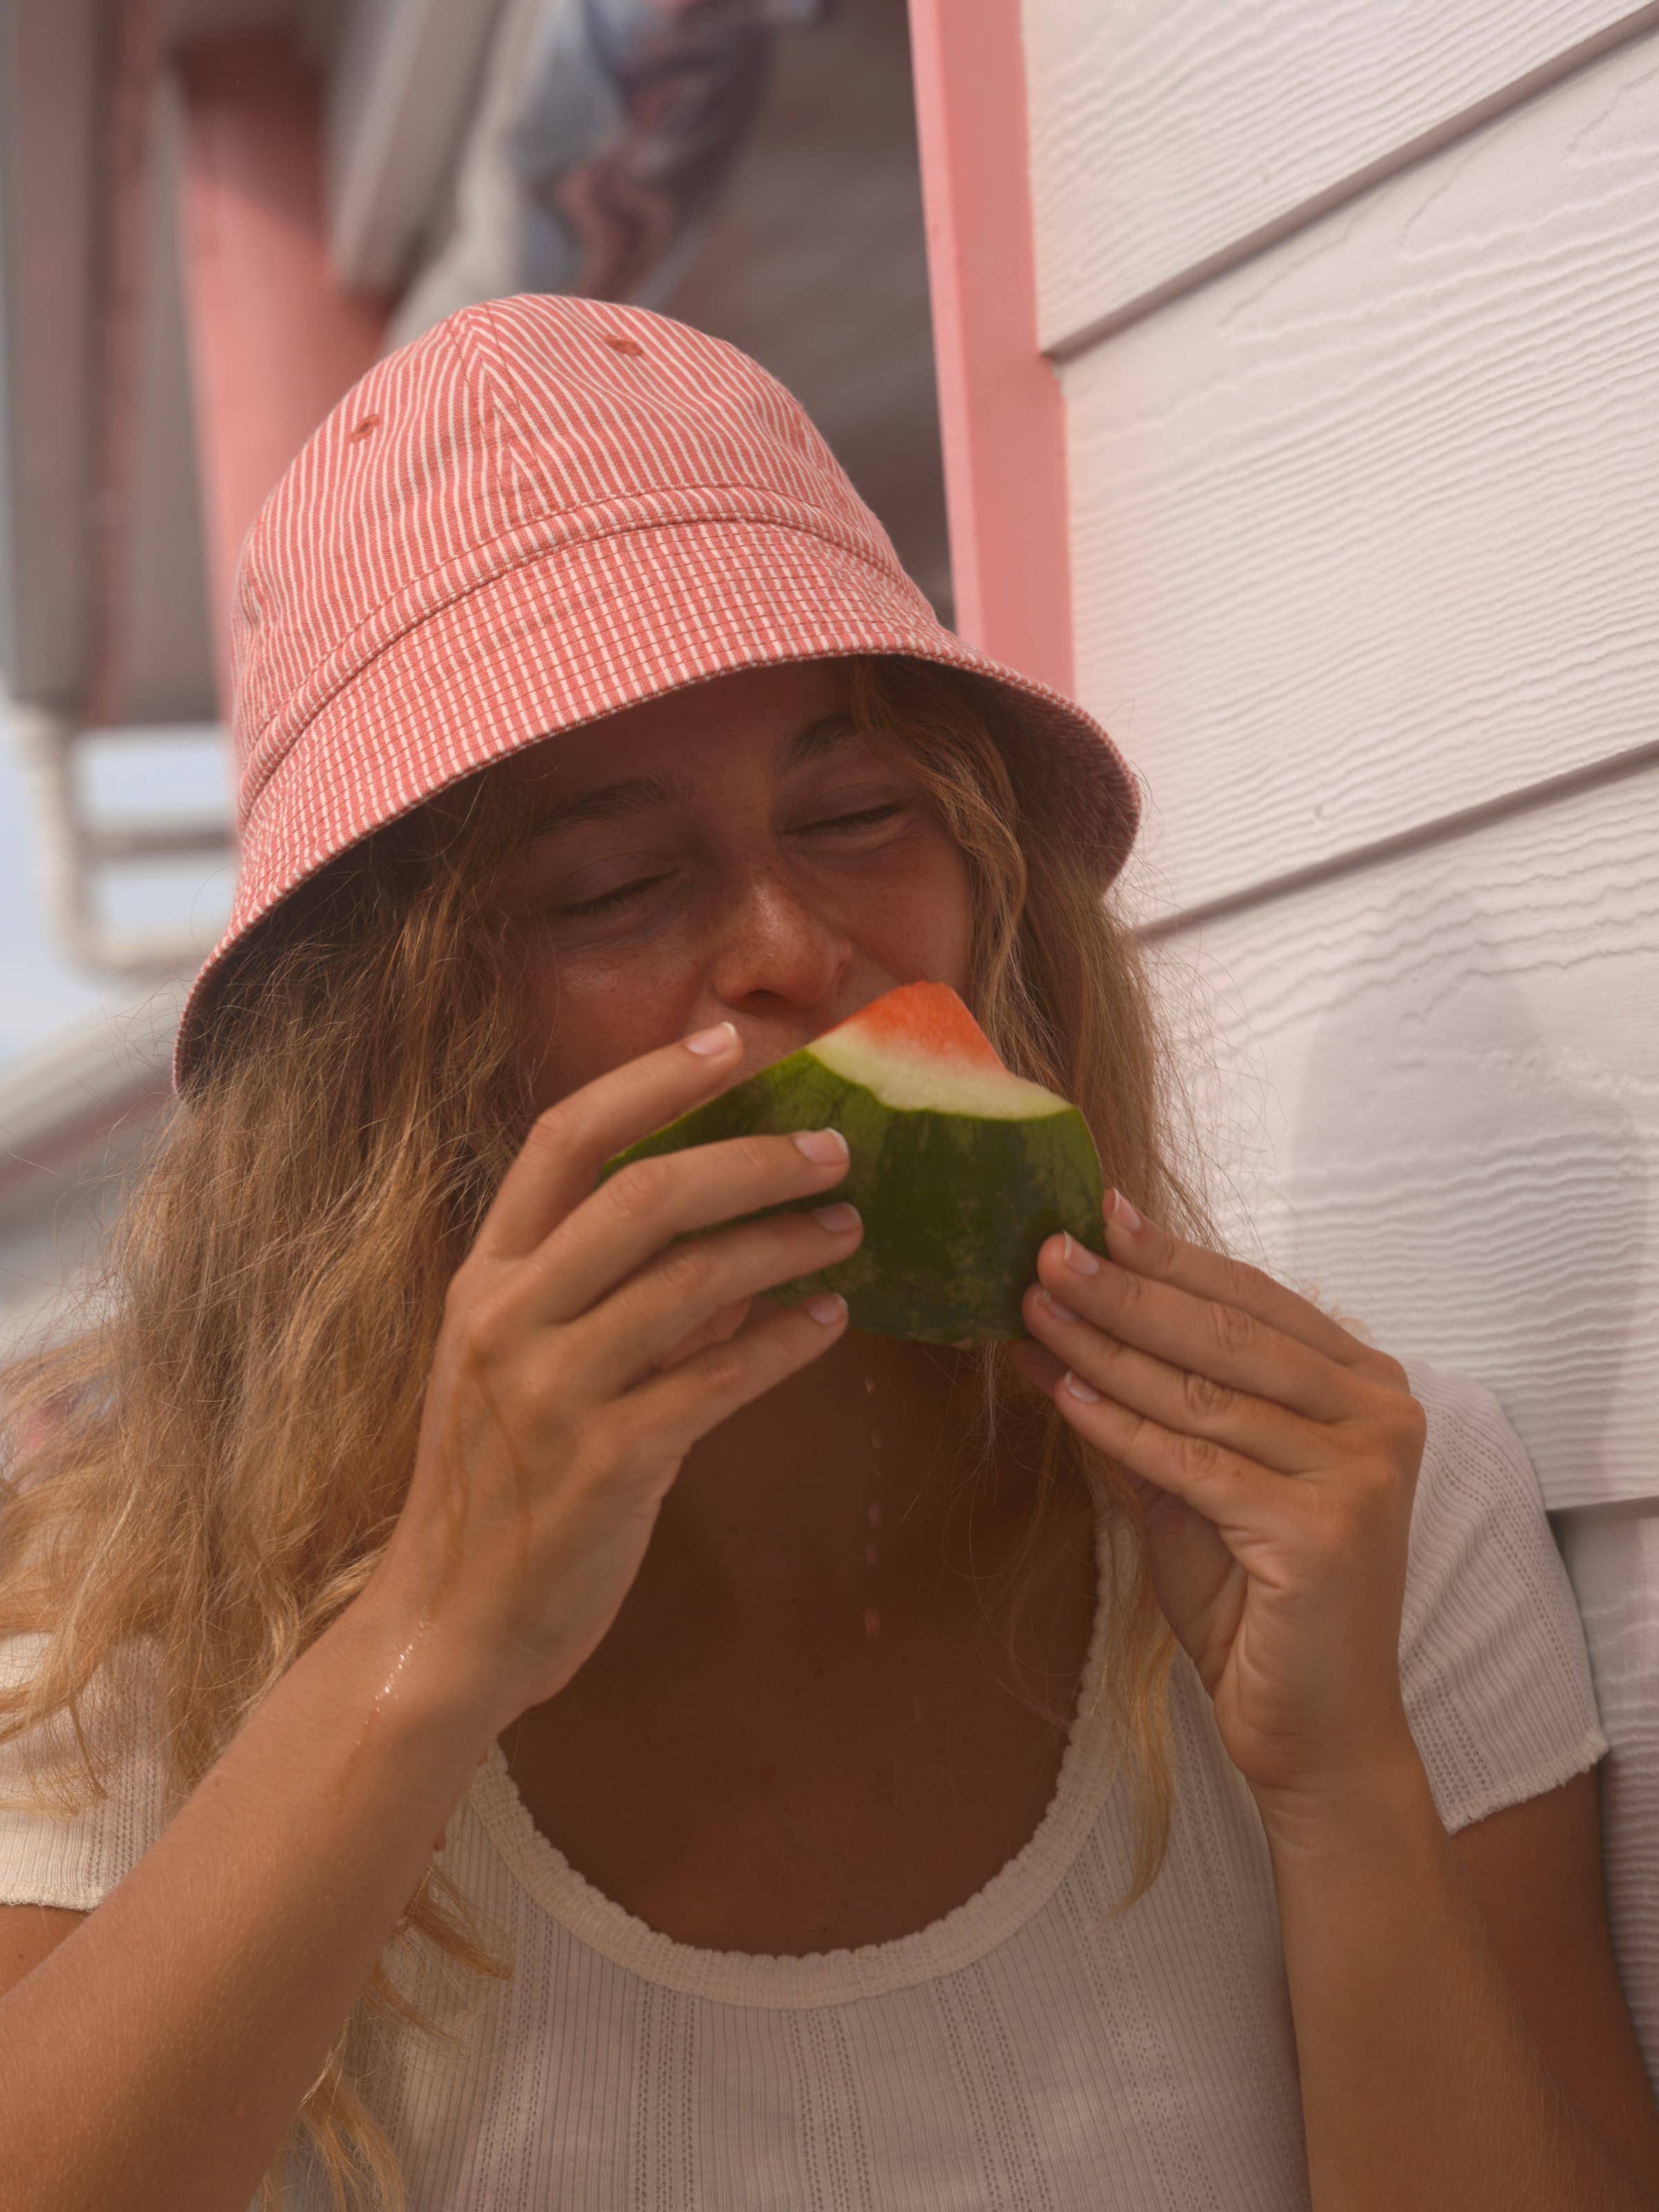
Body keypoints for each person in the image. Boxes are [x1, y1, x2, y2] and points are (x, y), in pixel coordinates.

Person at [0, 296, 1609, 2212]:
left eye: (860, 813)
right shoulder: (158, 1653)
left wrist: (1343, 1784)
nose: (786, 941)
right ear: (390, 1065)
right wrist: (432, 1642)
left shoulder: (1357, 1535)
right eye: (614, 885)